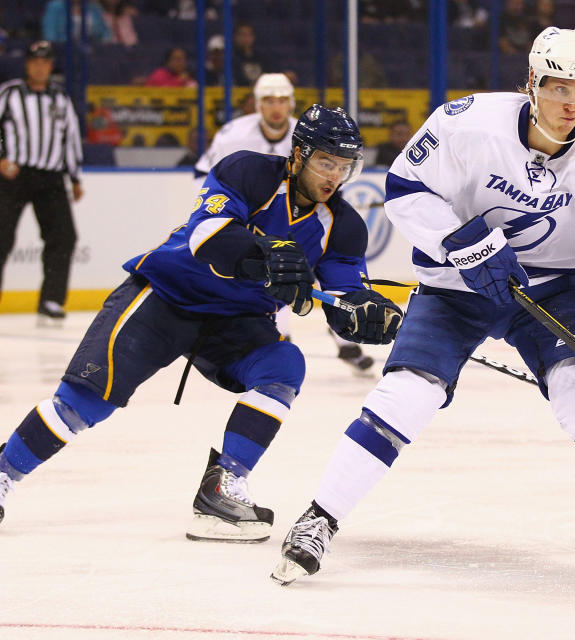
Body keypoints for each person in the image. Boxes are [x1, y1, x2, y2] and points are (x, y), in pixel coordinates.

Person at [270, 26, 575, 587]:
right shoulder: (466, 122)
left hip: (549, 291)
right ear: (532, 83)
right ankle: (318, 519)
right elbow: (405, 190)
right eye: (559, 87)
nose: (571, 104)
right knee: (407, 395)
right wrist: (468, 244)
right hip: (453, 285)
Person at [0, 105, 403, 540]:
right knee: (84, 402)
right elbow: (206, 235)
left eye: (345, 166)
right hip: (167, 297)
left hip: (236, 321)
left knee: (283, 366)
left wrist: (366, 313)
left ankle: (222, 484)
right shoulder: (247, 171)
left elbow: (344, 294)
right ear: (299, 153)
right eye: (326, 162)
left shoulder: (343, 226)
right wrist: (266, 251)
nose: (335, 176)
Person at [195, 74, 378, 373]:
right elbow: (203, 173)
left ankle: (345, 343)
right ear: (257, 104)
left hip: (302, 215)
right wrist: (214, 209)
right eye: (268, 100)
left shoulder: (312, 131)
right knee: (274, 270)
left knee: (316, 269)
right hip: (246, 214)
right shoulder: (232, 135)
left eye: (282, 100)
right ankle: (278, 337)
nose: (276, 107)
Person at [0, 40, 84, 323]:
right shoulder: (9, 93)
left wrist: (74, 177)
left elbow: (70, 138)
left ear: (50, 66)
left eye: (45, 61)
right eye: (35, 61)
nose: (39, 66)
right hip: (14, 175)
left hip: (50, 176)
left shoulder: (60, 98)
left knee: (63, 237)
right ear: (27, 64)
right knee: (1, 236)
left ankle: (51, 300)